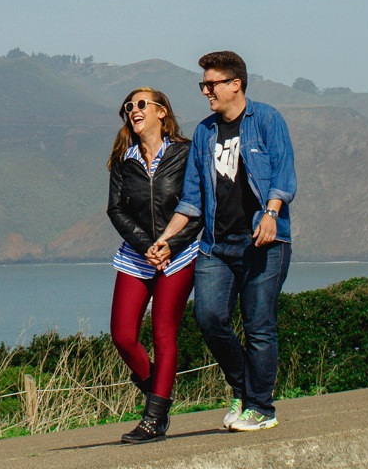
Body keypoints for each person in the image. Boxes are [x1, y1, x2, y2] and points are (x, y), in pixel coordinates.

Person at [148, 50, 296, 433]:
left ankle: (261, 408)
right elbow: (192, 198)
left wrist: (271, 213)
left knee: (259, 325)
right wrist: (166, 238)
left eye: (211, 84)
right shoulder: (204, 132)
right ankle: (243, 389)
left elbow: (283, 173)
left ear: (236, 84)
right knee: (209, 317)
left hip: (264, 243)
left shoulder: (266, 120)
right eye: (203, 85)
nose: (205, 92)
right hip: (216, 246)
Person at [104, 86, 200, 444]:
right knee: (123, 335)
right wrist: (146, 246)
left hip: (180, 255)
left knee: (163, 334)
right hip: (137, 256)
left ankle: (153, 418)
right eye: (129, 106)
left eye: (142, 104)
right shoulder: (122, 160)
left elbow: (197, 205)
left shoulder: (187, 153)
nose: (133, 109)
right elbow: (116, 209)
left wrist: (170, 245)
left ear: (162, 112)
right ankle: (158, 392)